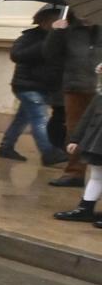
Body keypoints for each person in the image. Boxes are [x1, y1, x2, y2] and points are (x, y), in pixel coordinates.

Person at [0, 8, 70, 166]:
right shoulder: (29, 36)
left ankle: (6, 146)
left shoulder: (59, 38)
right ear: (43, 21)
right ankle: (49, 152)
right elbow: (17, 55)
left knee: (22, 118)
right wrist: (49, 40)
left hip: (45, 85)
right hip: (27, 85)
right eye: (52, 20)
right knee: (40, 118)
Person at [46, 13, 101, 188]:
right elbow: (50, 55)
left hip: (99, 88)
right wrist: (55, 33)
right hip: (75, 87)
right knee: (75, 130)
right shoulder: (67, 31)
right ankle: (74, 172)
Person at [51, 96, 102, 229]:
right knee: (96, 176)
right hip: (97, 142)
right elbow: (87, 117)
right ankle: (85, 208)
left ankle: (86, 209)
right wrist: (76, 139)